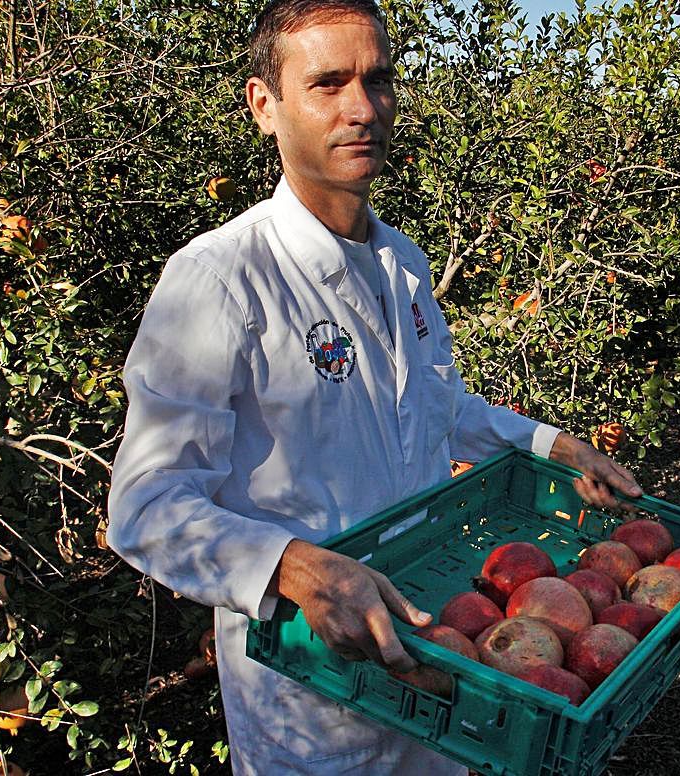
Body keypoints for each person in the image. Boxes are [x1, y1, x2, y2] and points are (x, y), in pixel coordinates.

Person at [106, 0, 643, 773]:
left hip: (432, 647)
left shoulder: (403, 265)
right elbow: (146, 504)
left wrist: (551, 444)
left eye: (377, 80)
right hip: (308, 692)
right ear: (266, 106)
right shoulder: (221, 280)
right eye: (327, 83)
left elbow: (434, 408)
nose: (361, 108)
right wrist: (293, 565)